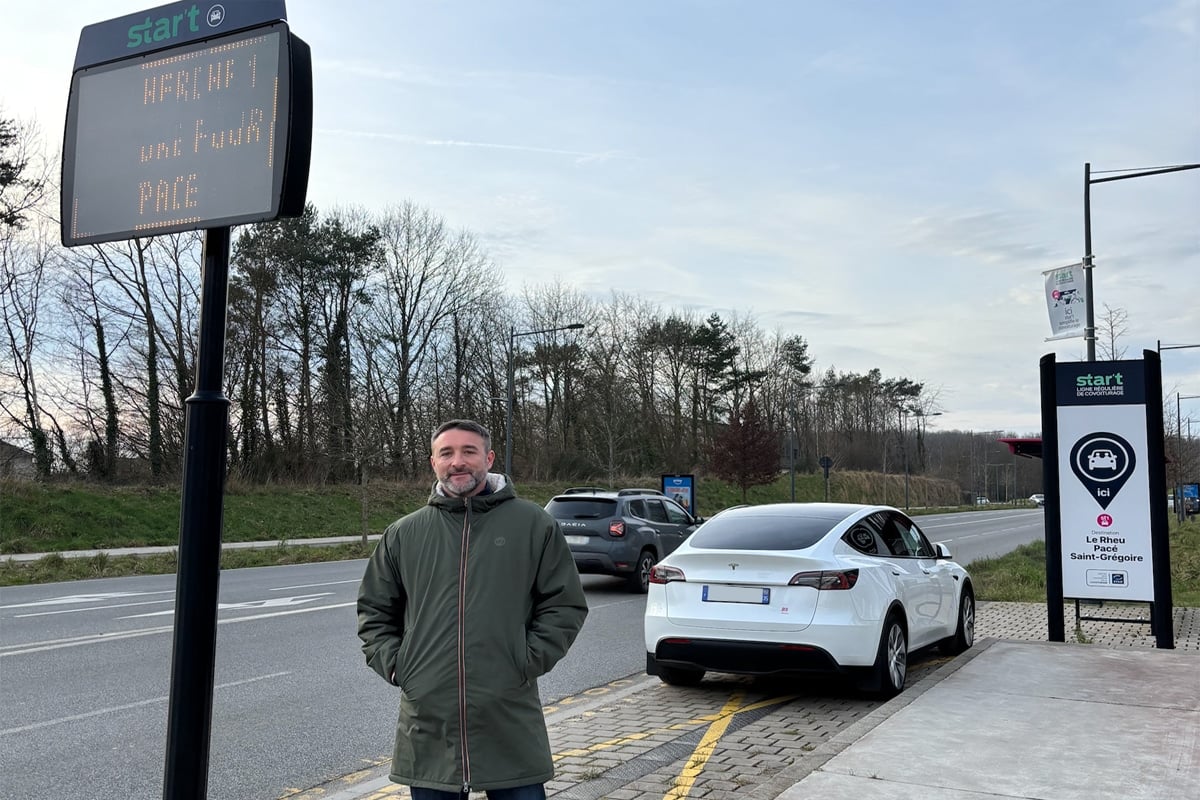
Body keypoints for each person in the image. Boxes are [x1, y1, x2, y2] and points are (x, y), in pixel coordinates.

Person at [357, 419, 588, 800]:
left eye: (469, 451)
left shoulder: (533, 525)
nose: (457, 462)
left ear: (489, 458)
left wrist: (527, 660)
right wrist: (399, 665)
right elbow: (375, 610)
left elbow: (564, 604)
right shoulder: (404, 533)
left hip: (508, 716)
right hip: (429, 723)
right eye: (446, 453)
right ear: (433, 462)